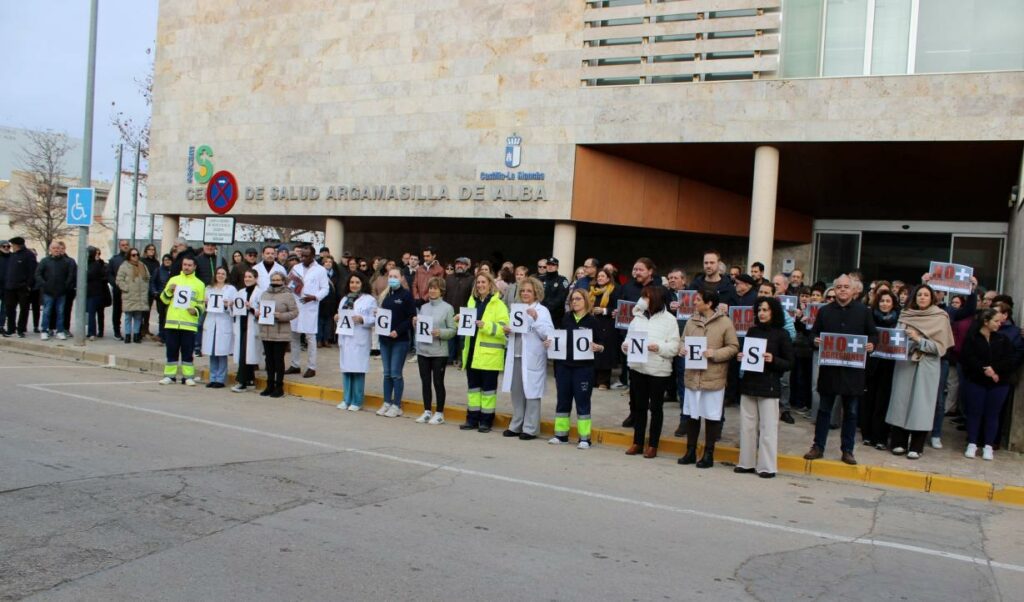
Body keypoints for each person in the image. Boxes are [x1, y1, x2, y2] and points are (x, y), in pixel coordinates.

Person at [804, 274, 877, 465]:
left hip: (853, 372)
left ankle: (848, 450)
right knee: (824, 410)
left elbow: (873, 335)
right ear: (834, 290)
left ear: (853, 290)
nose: (842, 290)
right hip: (830, 370)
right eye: (839, 287)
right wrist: (814, 340)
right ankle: (818, 446)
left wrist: (872, 345)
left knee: (851, 413)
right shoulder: (825, 311)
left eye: (846, 287)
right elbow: (812, 333)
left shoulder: (864, 312)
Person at [885, 285, 954, 459]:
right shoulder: (906, 314)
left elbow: (941, 347)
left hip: (927, 364)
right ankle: (898, 442)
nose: (922, 297)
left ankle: (916, 446)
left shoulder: (940, 317)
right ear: (914, 297)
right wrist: (908, 343)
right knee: (901, 400)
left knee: (922, 404)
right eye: (919, 295)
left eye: (926, 295)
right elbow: (896, 340)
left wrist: (919, 339)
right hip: (906, 361)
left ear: (932, 298)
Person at [735, 297, 793, 478]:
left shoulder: (782, 334)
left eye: (765, 310)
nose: (761, 313)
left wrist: (773, 359)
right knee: (747, 427)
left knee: (768, 428)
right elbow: (747, 354)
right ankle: (746, 463)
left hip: (769, 386)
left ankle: (767, 466)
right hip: (749, 384)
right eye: (759, 309)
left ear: (774, 312)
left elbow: (790, 363)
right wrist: (741, 356)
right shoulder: (752, 331)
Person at [679, 290, 739, 468]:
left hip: (713, 377)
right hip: (693, 376)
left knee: (712, 416)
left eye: (698, 300)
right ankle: (690, 451)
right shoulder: (691, 321)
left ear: (709, 303)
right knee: (692, 415)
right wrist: (681, 348)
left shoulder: (725, 322)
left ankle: (708, 453)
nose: (694, 302)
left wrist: (715, 353)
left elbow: (733, 346)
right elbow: (682, 340)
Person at [622, 284, 680, 459]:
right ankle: (638, 442)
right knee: (639, 407)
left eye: (646, 297)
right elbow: (628, 340)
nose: (643, 300)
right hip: (637, 368)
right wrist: (625, 347)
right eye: (643, 296)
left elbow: (674, 346)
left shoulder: (669, 320)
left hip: (658, 370)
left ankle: (653, 444)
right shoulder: (637, 318)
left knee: (656, 408)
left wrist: (659, 347)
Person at [551, 288, 605, 448]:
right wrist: (550, 343)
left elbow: (602, 343)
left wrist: (598, 347)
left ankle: (584, 439)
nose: (574, 302)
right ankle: (561, 436)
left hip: (583, 369)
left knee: (582, 402)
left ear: (586, 301)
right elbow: (558, 339)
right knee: (562, 401)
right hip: (564, 367)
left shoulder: (593, 321)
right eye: (572, 299)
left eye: (578, 299)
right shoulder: (566, 318)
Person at [501, 276, 554, 440]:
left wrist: (536, 318)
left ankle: (530, 428)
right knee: (517, 393)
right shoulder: (517, 309)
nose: (525, 293)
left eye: (529, 291)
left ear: (536, 293)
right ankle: (516, 425)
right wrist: (506, 332)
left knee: (532, 393)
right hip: (516, 356)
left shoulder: (542, 311)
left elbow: (548, 334)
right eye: (523, 290)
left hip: (532, 359)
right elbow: (513, 333)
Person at [960, 309, 1015, 461]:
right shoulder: (972, 339)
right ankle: (972, 443)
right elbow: (968, 359)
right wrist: (985, 370)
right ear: (986, 322)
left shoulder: (1003, 339)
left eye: (1000, 321)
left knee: (993, 414)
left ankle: (988, 446)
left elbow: (1009, 359)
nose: (999, 324)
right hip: (976, 381)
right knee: (974, 413)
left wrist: (995, 370)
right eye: (996, 321)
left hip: (998, 383)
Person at [460, 272, 509, 433]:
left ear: (490, 284)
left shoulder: (498, 304)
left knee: (488, 391)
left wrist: (486, 326)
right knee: (473, 389)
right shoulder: (471, 302)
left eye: (483, 282)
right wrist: (460, 319)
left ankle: (486, 421)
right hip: (472, 352)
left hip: (490, 356)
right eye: (478, 282)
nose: (480, 285)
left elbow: (504, 329)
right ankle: (472, 419)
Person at [861, 290, 900, 449]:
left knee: (883, 401)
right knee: (868, 400)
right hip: (871, 364)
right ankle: (867, 435)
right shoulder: (869, 317)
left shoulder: (899, 320)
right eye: (882, 301)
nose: (884, 304)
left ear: (893, 304)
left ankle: (881, 437)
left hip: (889, 366)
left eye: (888, 301)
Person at [413, 277, 456, 424]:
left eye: (435, 288)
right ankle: (426, 411)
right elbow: (421, 329)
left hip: (439, 352)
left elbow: (453, 330)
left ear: (441, 290)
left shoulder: (448, 308)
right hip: (423, 351)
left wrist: (441, 333)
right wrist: (415, 323)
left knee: (438, 382)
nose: (432, 291)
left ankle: (439, 413)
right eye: (431, 288)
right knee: (425, 382)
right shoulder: (424, 307)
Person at [158, 256, 206, 386]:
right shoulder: (174, 280)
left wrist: (195, 310)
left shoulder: (199, 284)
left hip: (189, 324)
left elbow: (202, 304)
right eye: (185, 264)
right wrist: (169, 291)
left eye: (189, 265)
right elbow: (164, 299)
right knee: (171, 351)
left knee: (187, 352)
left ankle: (188, 377)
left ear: (194, 267)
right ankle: (170, 376)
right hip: (172, 322)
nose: (186, 267)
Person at [284, 244, 330, 378]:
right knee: (294, 335)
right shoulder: (296, 268)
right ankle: (295, 365)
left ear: (313, 256)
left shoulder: (320, 270)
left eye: (306, 256)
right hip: (296, 305)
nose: (303, 258)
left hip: (310, 306)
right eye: (302, 256)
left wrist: (315, 297)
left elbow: (325, 289)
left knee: (310, 337)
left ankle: (311, 367)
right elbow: (288, 284)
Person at [376, 266, 415, 418]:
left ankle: (396, 405)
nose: (392, 279)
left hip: (400, 340)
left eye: (395, 276)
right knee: (386, 374)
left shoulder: (406, 296)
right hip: (385, 340)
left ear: (401, 278)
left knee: (395, 373)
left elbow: (411, 318)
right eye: (390, 276)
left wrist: (398, 331)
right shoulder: (385, 295)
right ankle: (387, 402)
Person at [336, 271, 377, 410]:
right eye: (352, 282)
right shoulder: (344, 299)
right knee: (346, 370)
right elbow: (342, 317)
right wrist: (336, 318)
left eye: (357, 282)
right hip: (345, 338)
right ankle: (346, 399)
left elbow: (374, 319)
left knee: (358, 370)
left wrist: (362, 319)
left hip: (359, 338)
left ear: (362, 284)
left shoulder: (369, 300)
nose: (354, 285)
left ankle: (357, 401)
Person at [258, 271, 299, 398]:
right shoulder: (264, 294)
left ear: (283, 281)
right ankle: (269, 385)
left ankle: (279, 387)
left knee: (278, 360)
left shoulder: (288, 295)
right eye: (273, 279)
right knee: (269, 360)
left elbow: (294, 312)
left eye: (278, 280)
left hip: (281, 333)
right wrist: (259, 313)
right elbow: (261, 309)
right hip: (266, 332)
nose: (275, 282)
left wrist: (281, 316)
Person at [201, 266, 237, 388]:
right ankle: (213, 378)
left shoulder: (231, 289)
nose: (220, 276)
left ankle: (220, 379)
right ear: (215, 275)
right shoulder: (209, 288)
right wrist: (205, 303)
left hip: (224, 322)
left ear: (226, 276)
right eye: (218, 273)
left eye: (223, 274)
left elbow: (235, 307)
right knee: (212, 352)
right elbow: (204, 306)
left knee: (221, 352)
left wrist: (228, 305)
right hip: (211, 322)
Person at [34, 241, 75, 341]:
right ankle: (44, 330)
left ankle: (60, 331)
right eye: (54, 248)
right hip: (48, 292)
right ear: (50, 249)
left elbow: (70, 275)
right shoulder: (45, 261)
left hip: (61, 292)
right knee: (47, 312)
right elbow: (38, 274)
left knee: (60, 312)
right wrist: (44, 284)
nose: (56, 250)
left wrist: (66, 285)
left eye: (58, 248)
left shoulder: (66, 261)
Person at [588, 268, 620, 389]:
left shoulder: (614, 290)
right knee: (593, 351)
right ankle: (593, 380)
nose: (600, 278)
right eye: (598, 276)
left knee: (605, 353)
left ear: (608, 278)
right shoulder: (592, 290)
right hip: (593, 323)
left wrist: (604, 310)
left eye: (602, 276)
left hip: (608, 325)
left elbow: (618, 308)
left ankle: (604, 381)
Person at [231, 269, 262, 393]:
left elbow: (262, 312)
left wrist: (251, 308)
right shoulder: (240, 292)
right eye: (245, 276)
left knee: (246, 354)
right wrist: (231, 305)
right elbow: (235, 309)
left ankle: (242, 382)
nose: (247, 279)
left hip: (252, 327)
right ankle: (250, 380)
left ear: (256, 278)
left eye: (250, 276)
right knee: (244, 354)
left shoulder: (260, 293)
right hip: (241, 326)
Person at [115, 247, 151, 344]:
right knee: (128, 316)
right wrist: (126, 288)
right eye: (133, 255)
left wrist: (145, 287)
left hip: (140, 295)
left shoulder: (142, 265)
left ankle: (136, 335)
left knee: (138, 317)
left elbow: (147, 277)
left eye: (137, 254)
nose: (136, 257)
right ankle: (127, 335)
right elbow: (119, 280)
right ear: (129, 256)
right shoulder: (124, 266)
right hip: (129, 295)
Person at [4, 237, 37, 338]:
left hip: (23, 287)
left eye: (12, 245)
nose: (11, 247)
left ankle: (21, 329)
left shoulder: (29, 255)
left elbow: (32, 272)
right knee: (10, 308)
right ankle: (11, 329)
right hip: (10, 287)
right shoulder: (12, 255)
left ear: (17, 245)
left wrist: (28, 285)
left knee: (24, 309)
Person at [444, 256, 474, 365]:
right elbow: (444, 295)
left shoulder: (472, 279)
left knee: (462, 338)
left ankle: (461, 359)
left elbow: (472, 297)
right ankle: (449, 359)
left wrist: (467, 312)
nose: (459, 266)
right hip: (450, 312)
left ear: (467, 266)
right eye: (457, 264)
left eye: (462, 264)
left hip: (465, 314)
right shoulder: (449, 278)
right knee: (450, 337)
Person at [107, 239, 130, 340]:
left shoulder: (133, 258)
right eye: (123, 245)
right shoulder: (114, 260)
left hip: (130, 290)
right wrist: (116, 284)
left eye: (126, 244)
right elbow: (109, 274)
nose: (125, 246)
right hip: (118, 290)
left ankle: (133, 332)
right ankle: (117, 331)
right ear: (119, 246)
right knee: (117, 311)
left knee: (132, 311)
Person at [85, 247, 109, 340]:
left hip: (98, 291)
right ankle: (91, 332)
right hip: (90, 291)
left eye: (98, 254)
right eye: (96, 253)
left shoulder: (99, 264)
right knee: (91, 312)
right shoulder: (88, 264)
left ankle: (95, 332)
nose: (97, 256)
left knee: (96, 312)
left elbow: (90, 275)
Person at [317, 256, 340, 348]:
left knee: (328, 322)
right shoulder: (319, 274)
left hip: (332, 302)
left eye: (330, 262)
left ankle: (326, 340)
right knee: (320, 322)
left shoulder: (335, 275)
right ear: (323, 264)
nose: (328, 263)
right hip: (321, 301)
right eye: (326, 262)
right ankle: (319, 340)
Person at [540, 257, 569, 324]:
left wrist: (546, 309)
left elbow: (561, 297)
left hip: (556, 317)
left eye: (553, 265)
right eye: (548, 264)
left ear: (557, 267)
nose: (550, 266)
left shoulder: (562, 280)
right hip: (541, 314)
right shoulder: (540, 279)